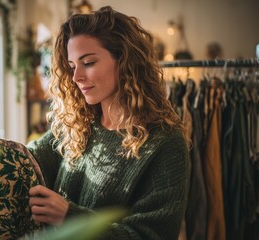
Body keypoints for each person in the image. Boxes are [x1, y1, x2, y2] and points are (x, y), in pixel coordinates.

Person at [26, 6, 190, 239]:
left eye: (89, 62)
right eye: (72, 66)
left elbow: (150, 234)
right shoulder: (79, 124)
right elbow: (29, 159)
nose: (76, 77)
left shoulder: (165, 143)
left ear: (123, 60)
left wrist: (69, 216)